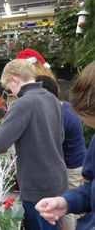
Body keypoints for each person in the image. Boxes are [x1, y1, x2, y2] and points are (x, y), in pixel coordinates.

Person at [0, 59, 68, 230]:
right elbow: (60, 136)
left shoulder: (23, 103)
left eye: (9, 87)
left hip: (37, 186)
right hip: (58, 179)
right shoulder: (52, 99)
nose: (11, 91)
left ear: (15, 79)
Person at [35, 62, 95, 230]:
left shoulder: (62, 115)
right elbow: (90, 191)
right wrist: (66, 202)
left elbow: (52, 146)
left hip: (72, 166)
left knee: (71, 220)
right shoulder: (65, 109)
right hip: (73, 164)